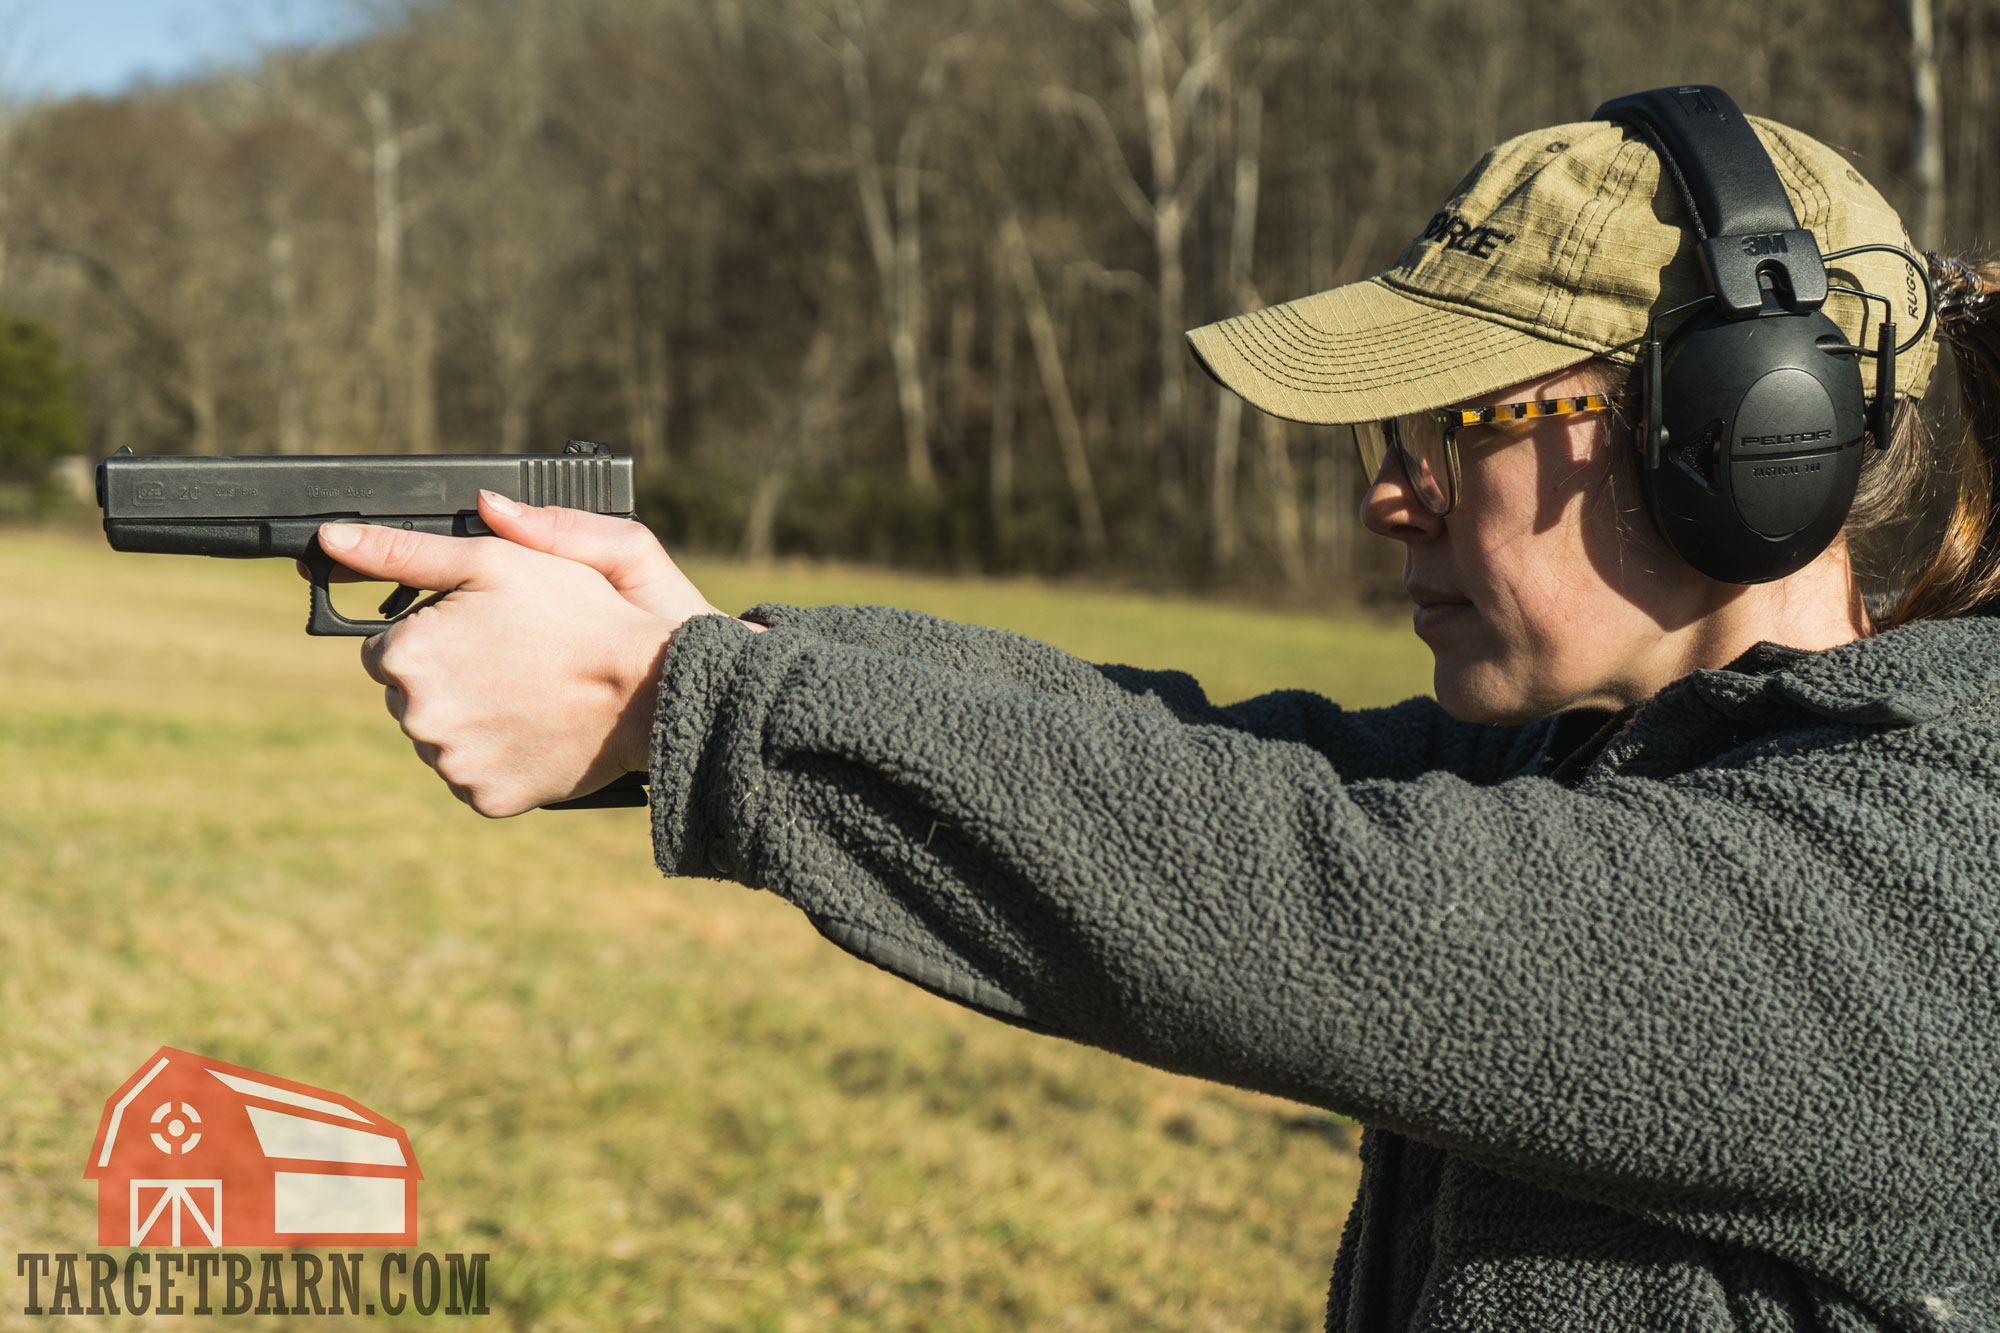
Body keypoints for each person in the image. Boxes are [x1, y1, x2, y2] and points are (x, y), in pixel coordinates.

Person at [309, 99, 2000, 1330]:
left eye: (1453, 427)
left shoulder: (1932, 872)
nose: (1389, 498)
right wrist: (692, 649)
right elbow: (1198, 761)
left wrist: (688, 706)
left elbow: (1316, 901)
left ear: (1740, 434)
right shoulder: (1617, 767)